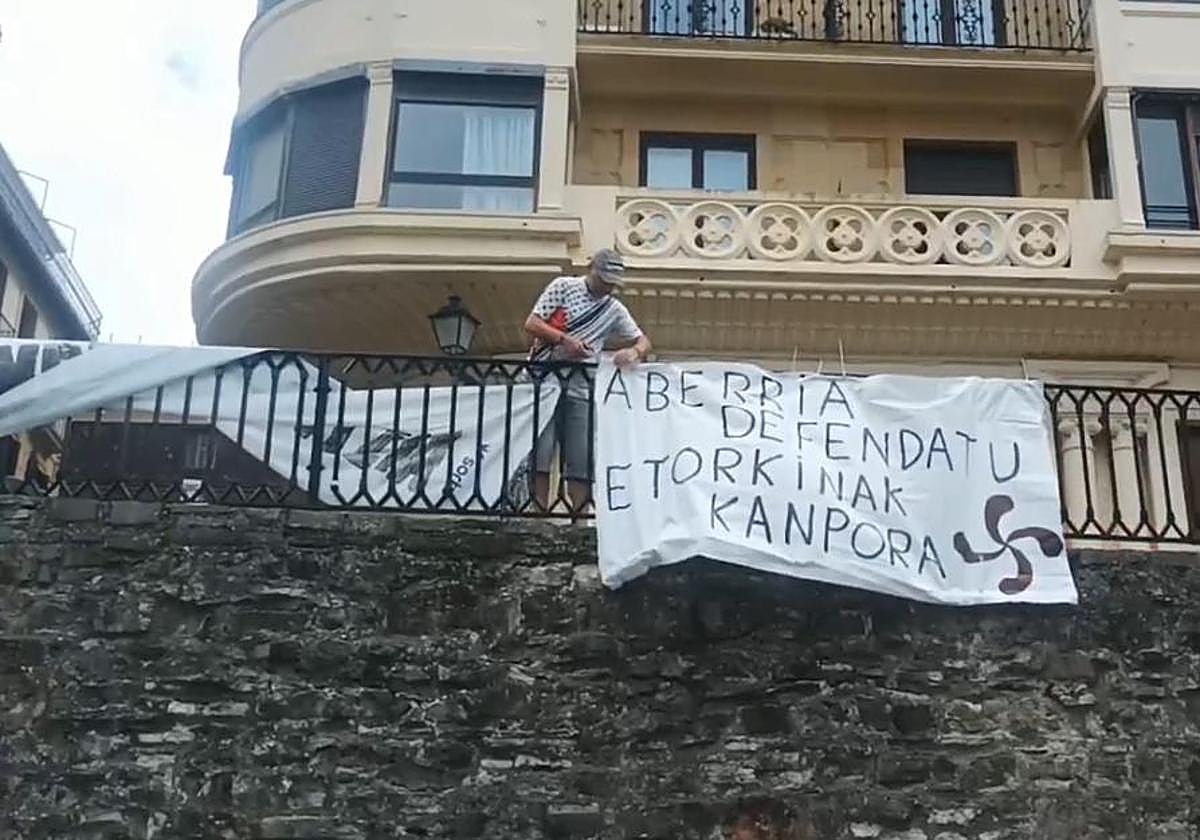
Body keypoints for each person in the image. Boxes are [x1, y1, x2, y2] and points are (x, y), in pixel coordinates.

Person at [524, 248, 652, 513]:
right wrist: (564, 340)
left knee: (580, 455)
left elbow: (643, 340)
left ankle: (581, 515)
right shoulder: (563, 287)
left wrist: (633, 352)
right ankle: (537, 513)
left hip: (581, 385)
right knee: (541, 452)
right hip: (544, 379)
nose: (607, 287)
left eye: (612, 283)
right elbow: (532, 323)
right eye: (604, 279)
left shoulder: (614, 309)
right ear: (591, 267)